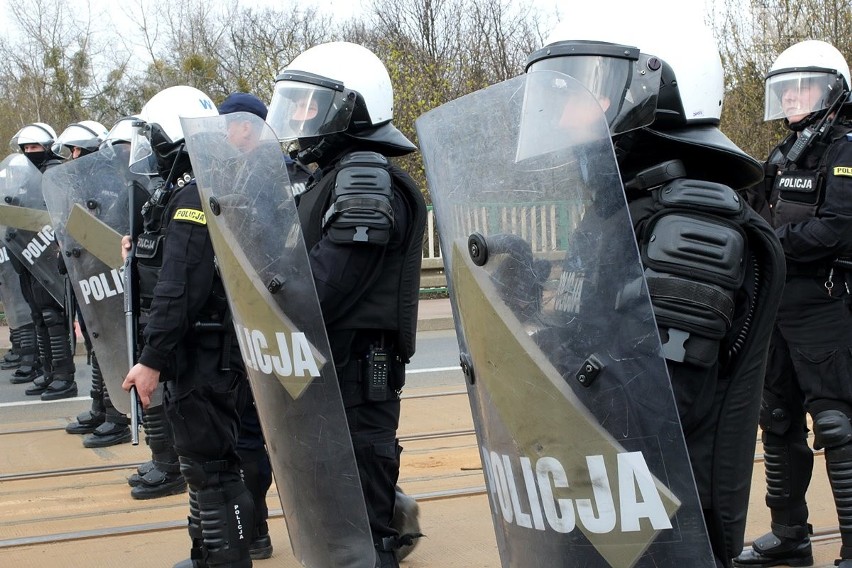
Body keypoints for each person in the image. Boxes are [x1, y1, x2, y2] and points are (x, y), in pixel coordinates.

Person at [524, 15, 785, 568]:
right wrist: (516, 304)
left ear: (654, 89)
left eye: (584, 88)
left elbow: (659, 403)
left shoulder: (692, 221)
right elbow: (586, 338)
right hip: (605, 491)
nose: (564, 111)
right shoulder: (621, 210)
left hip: (662, 520)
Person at [266, 41, 427, 568]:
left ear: (350, 107)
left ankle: (383, 543)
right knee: (334, 490)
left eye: (309, 102)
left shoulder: (363, 179)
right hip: (330, 363)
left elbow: (322, 287)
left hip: (357, 365)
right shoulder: (329, 177)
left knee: (359, 488)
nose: (298, 114)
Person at [121, 85, 255, 567]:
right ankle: (209, 554)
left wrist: (152, 359)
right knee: (201, 467)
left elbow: (181, 288)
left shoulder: (195, 195)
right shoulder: (200, 187)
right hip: (202, 353)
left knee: (214, 467)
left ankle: (227, 558)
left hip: (206, 356)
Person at [734, 40, 852, 568]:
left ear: (832, 90)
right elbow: (754, 212)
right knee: (776, 417)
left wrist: (772, 246)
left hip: (825, 301)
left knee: (837, 423)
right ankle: (789, 533)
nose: (790, 97)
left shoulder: (846, 147)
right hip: (775, 303)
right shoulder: (784, 152)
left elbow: (840, 227)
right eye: (784, 88)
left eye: (802, 86)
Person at [52, 120, 134, 448]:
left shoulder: (111, 186)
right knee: (97, 345)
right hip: (86, 277)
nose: (70, 158)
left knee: (110, 345)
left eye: (75, 151)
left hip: (108, 280)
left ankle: (116, 417)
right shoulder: (80, 187)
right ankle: (101, 407)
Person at [7, 122, 79, 401]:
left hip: (50, 256)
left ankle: (64, 375)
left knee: (52, 316)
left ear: (47, 147)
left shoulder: (57, 173)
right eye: (24, 147)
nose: (28, 151)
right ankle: (48, 371)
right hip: (27, 257)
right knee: (38, 316)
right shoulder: (26, 177)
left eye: (34, 146)